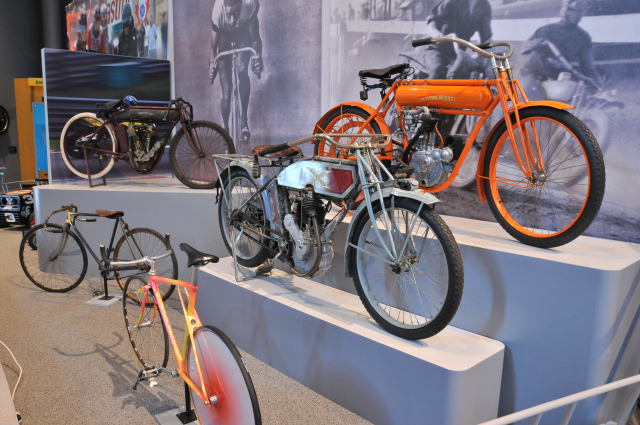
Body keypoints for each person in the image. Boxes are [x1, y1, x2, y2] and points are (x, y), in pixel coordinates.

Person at [520, 0, 599, 101]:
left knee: (576, 97)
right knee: (534, 94)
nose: (579, 15)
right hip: (534, 72)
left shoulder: (583, 37)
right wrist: (533, 44)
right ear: (566, 11)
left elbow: (587, 66)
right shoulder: (546, 30)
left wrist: (597, 84)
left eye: (581, 12)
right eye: (576, 11)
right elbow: (524, 49)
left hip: (558, 76)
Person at [209, 0, 264, 144]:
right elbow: (213, 48)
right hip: (224, 38)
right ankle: (225, 127)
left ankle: (243, 122)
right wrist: (212, 64)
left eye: (235, 14)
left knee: (241, 69)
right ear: (224, 9)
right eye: (229, 15)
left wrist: (257, 57)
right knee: (226, 95)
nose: (232, 20)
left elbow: (255, 38)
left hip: (242, 36)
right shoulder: (217, 12)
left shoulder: (249, 4)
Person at [419, 0, 492, 79]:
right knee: (437, 71)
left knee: (462, 78)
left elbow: (485, 37)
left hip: (457, 53)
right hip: (435, 48)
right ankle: (430, 90)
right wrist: (436, 34)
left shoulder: (484, 5)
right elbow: (431, 21)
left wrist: (480, 57)